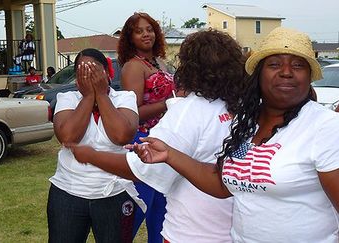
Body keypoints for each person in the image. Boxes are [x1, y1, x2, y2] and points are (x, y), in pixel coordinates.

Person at [129, 27, 339, 242]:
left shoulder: (326, 127)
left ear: (309, 76)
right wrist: (170, 155)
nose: (286, 72)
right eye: (274, 64)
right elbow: (222, 184)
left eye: (298, 65)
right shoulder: (245, 123)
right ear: (258, 75)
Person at [67, 29, 248, 242]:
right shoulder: (244, 108)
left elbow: (141, 169)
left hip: (194, 233)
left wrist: (90, 155)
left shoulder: (189, 112)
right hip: (237, 230)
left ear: (191, 68)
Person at [47, 48, 143, 243]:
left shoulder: (124, 98)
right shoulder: (68, 99)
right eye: (82, 72)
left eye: (94, 70)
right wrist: (89, 97)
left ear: (107, 73)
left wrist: (101, 95)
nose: (89, 76)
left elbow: (121, 135)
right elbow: (67, 136)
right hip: (68, 192)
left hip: (114, 192)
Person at [117, 12, 175, 242]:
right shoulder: (133, 67)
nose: (146, 34)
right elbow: (134, 113)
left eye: (149, 29)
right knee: (136, 210)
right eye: (139, 31)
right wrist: (169, 103)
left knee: (161, 215)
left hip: (164, 143)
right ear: (130, 38)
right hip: (143, 143)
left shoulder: (160, 62)